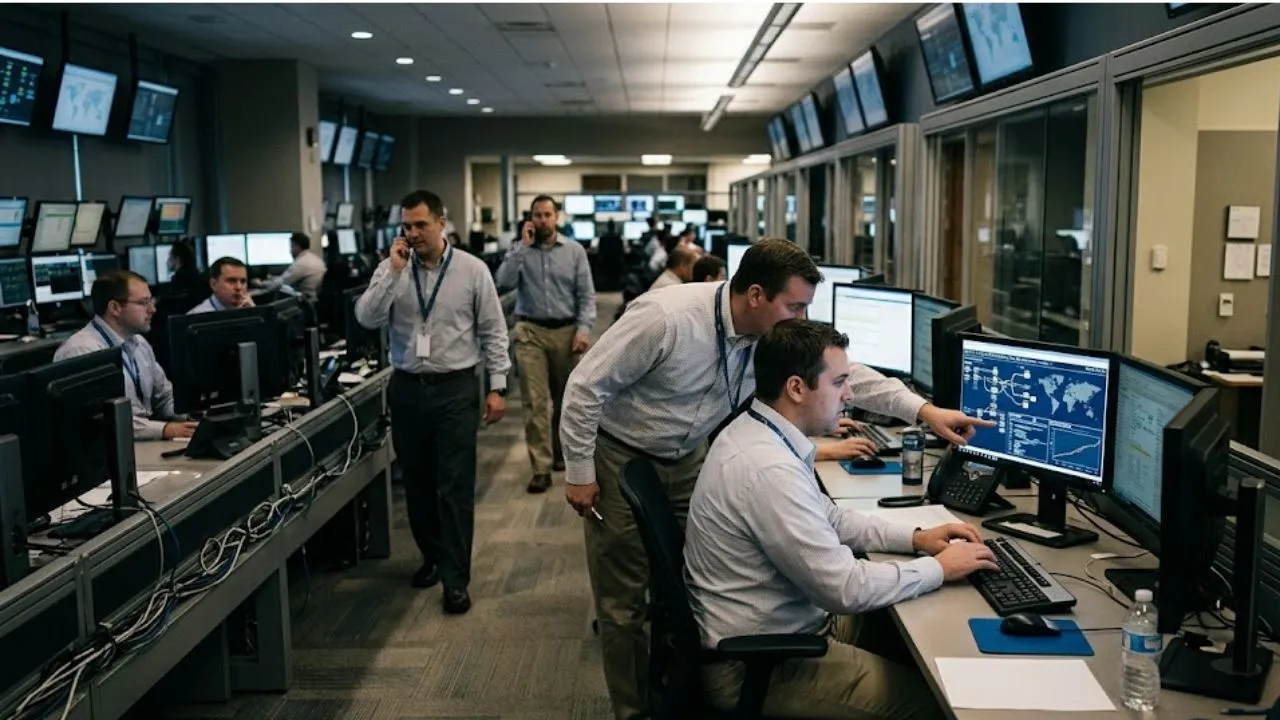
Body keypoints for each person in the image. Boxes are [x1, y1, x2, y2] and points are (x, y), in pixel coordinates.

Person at [559, 238, 821, 720]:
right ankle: (633, 711)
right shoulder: (666, 318)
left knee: (690, 580)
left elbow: (840, 369)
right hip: (620, 454)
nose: (801, 319)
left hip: (687, 456)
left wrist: (920, 409)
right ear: (757, 295)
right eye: (796, 306)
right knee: (624, 603)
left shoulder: (767, 333)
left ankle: (680, 688)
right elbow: (583, 388)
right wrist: (579, 472)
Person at [685, 319, 999, 719]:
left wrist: (917, 538)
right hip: (763, 665)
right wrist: (937, 568)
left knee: (918, 634)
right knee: (936, 705)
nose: (850, 395)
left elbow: (830, 518)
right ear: (796, 388)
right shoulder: (767, 468)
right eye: (839, 383)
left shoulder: (762, 432)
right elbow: (844, 589)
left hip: (791, 623)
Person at [354, 189, 510, 615]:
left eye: (421, 224)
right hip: (407, 387)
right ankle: (433, 557)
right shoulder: (392, 269)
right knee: (418, 484)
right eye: (407, 226)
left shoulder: (472, 270)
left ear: (442, 223)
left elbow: (494, 330)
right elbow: (366, 317)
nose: (413, 233)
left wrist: (498, 385)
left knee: (454, 485)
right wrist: (392, 273)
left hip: (456, 388)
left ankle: (456, 578)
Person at [495, 195, 595, 494]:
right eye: (537, 215)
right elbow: (502, 281)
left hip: (566, 332)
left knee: (564, 400)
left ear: (556, 218)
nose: (542, 220)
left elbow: (586, 295)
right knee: (535, 401)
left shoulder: (575, 252)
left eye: (547, 214)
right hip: (531, 332)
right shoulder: (521, 251)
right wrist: (521, 249)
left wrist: (584, 328)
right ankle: (540, 467)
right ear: (530, 219)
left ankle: (560, 451)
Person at [54, 270, 198, 440]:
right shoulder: (82, 351)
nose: (153, 309)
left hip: (141, 440)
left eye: (151, 301)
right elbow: (102, 421)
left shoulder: (139, 343)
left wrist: (191, 416)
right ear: (115, 308)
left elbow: (164, 397)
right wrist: (166, 429)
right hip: (109, 448)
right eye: (144, 303)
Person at [253, 232, 326, 302]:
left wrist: (260, 284)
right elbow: (285, 278)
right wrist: (272, 278)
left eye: (291, 247)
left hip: (307, 303)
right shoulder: (315, 259)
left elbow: (279, 283)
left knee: (280, 292)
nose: (290, 251)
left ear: (297, 246)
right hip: (316, 300)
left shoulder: (301, 263)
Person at [188, 257, 255, 314]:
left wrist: (254, 312)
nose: (239, 287)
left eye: (243, 281)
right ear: (213, 284)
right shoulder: (196, 316)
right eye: (231, 281)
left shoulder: (248, 308)